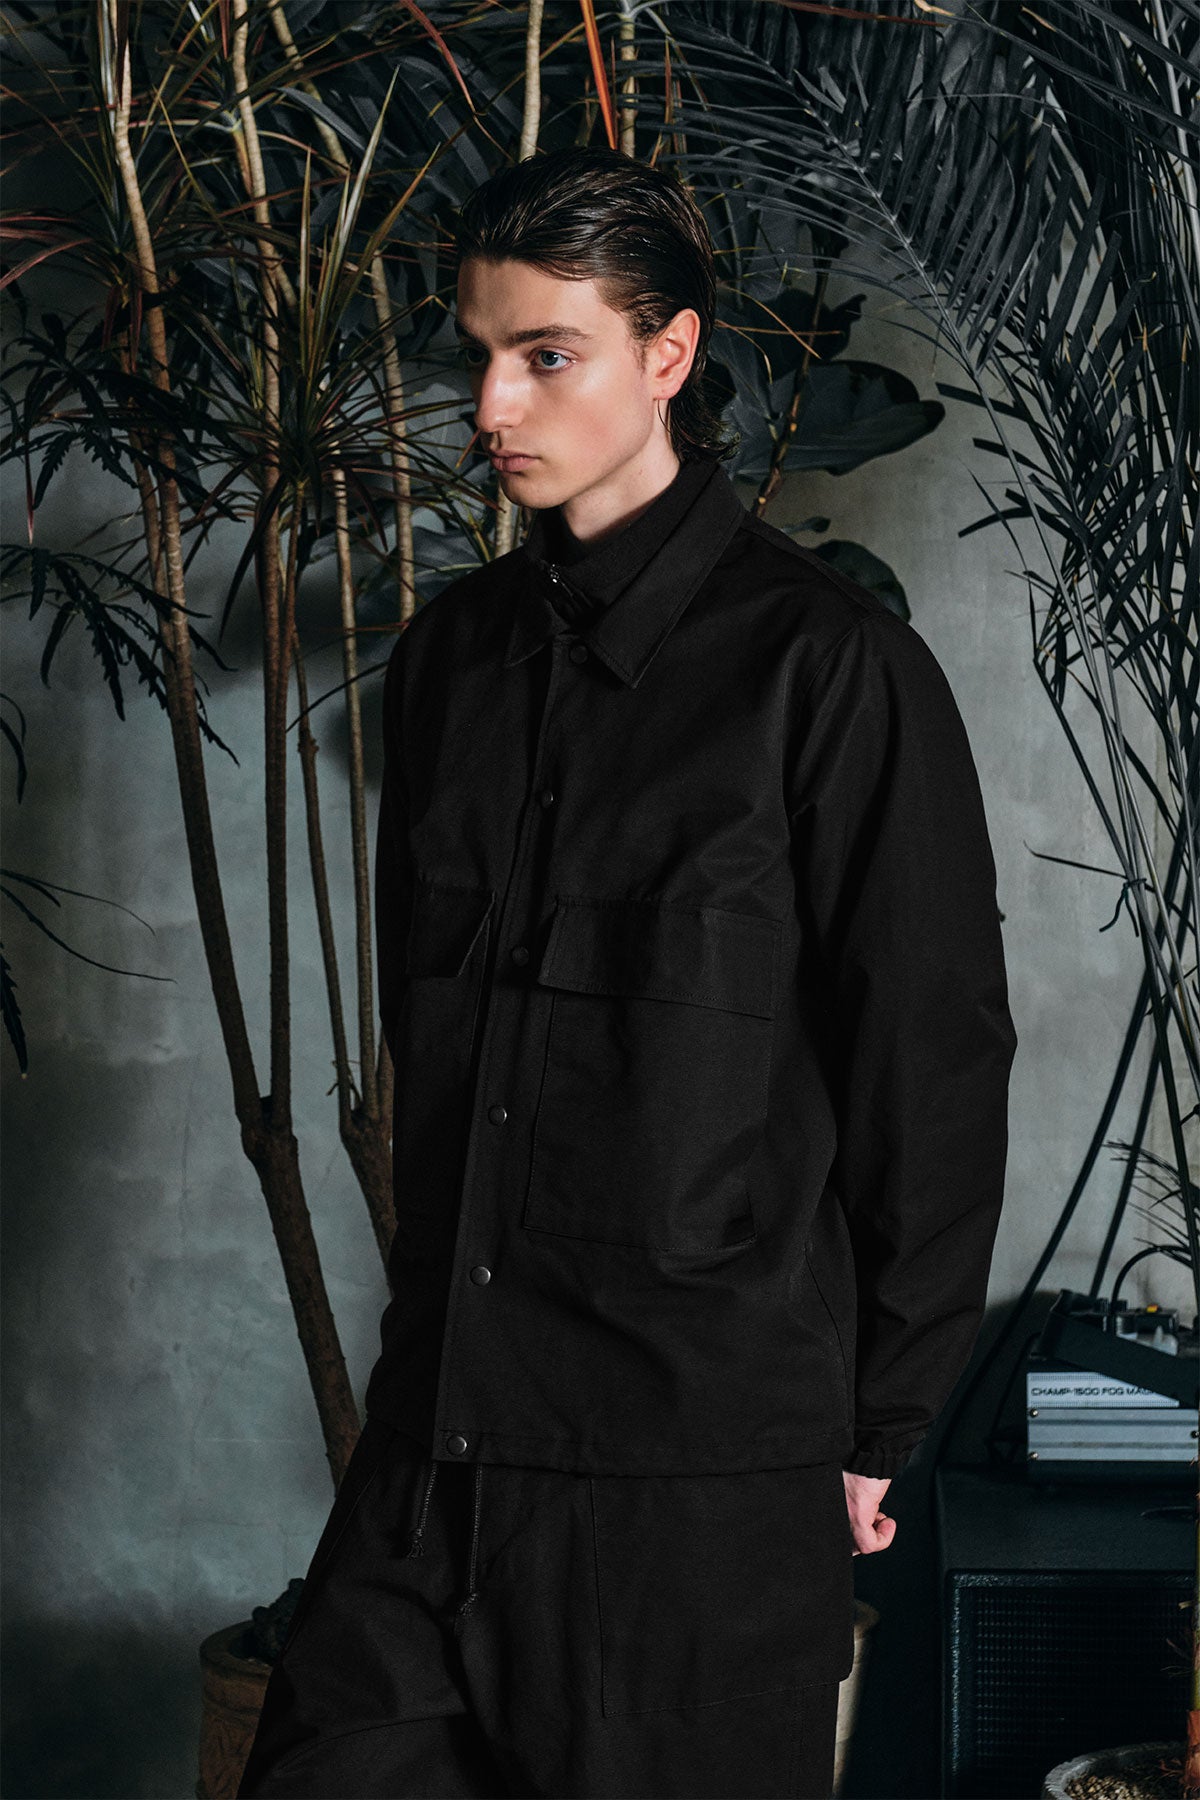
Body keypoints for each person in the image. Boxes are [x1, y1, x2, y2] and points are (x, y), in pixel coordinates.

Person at [237, 144, 1018, 1800]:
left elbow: (930, 1062)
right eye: (479, 354)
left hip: (692, 1484)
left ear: (670, 355)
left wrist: (883, 1424)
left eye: (548, 355)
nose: (490, 406)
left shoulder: (832, 673)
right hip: (440, 1448)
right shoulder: (449, 663)